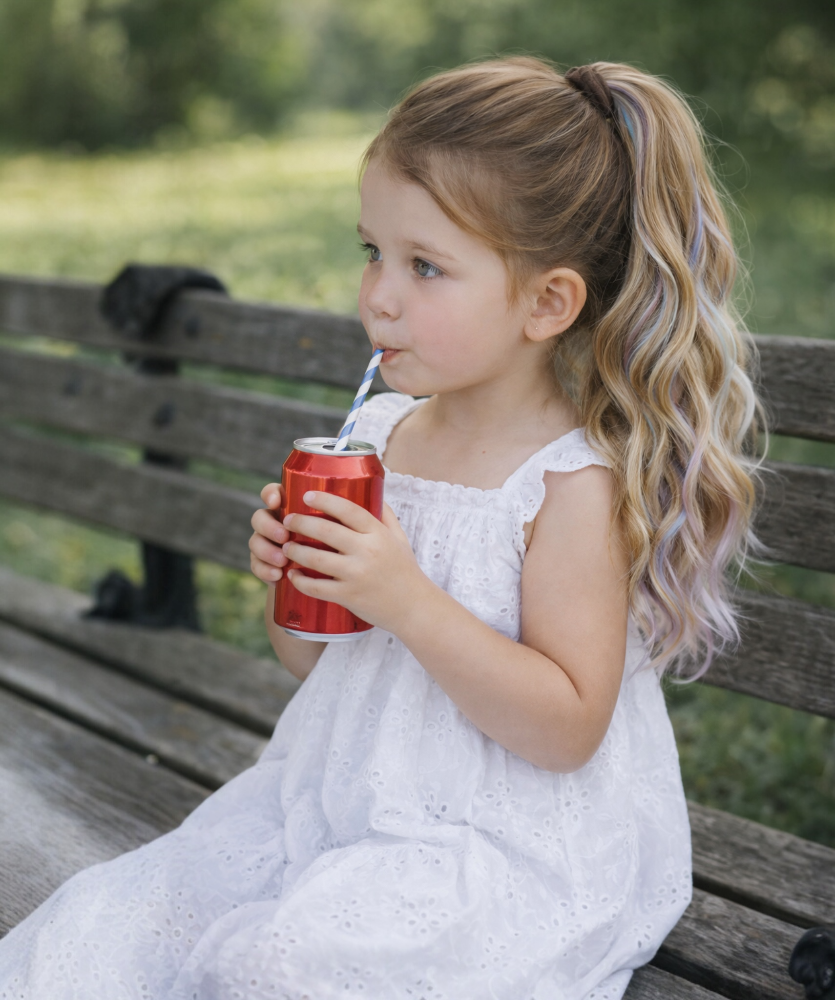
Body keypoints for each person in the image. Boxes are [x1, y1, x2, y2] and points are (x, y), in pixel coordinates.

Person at [0, 57, 758, 999]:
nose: (380, 297)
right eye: (373, 254)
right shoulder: (378, 437)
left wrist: (404, 595)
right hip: (334, 807)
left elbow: (567, 727)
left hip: (498, 845)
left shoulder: (567, 484)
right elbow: (316, 665)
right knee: (115, 926)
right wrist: (299, 584)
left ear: (547, 302)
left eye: (425, 266)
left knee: (284, 962)